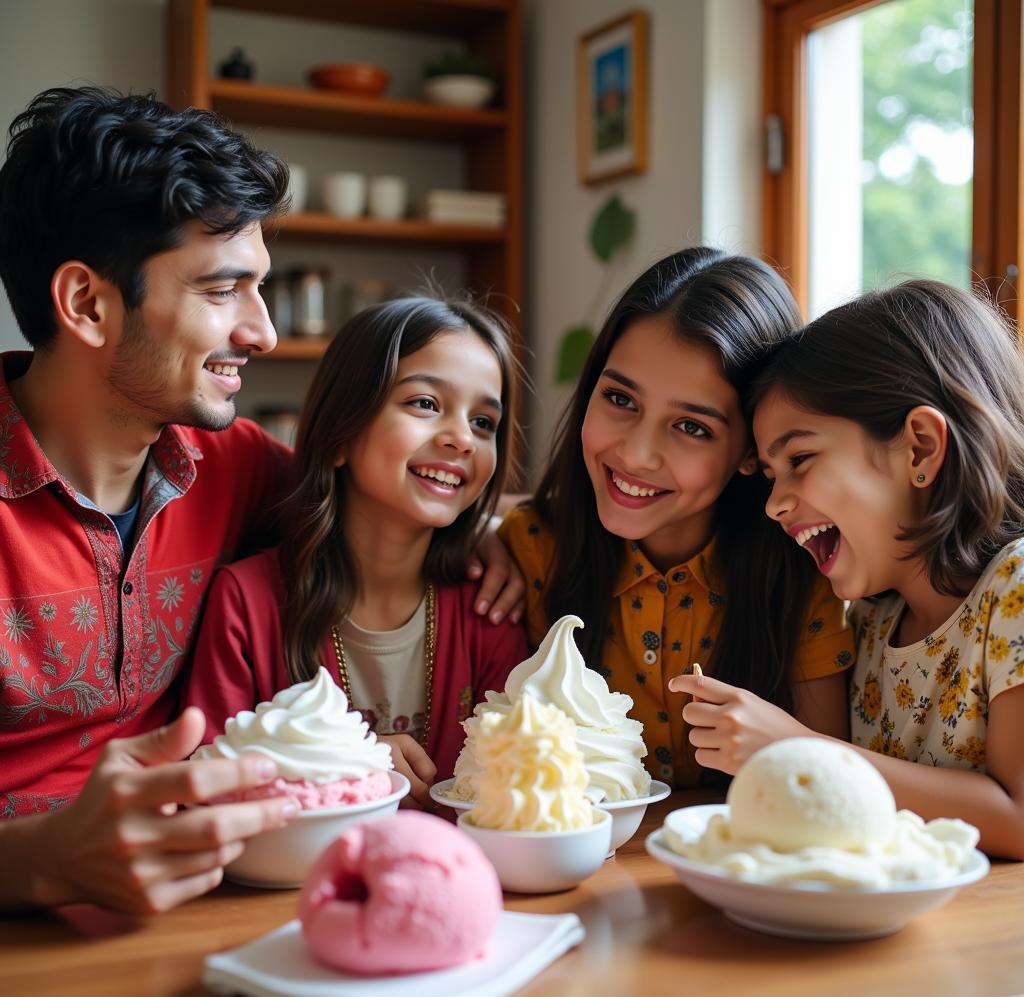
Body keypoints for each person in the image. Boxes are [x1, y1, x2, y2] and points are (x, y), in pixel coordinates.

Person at [0, 86, 521, 914]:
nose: (263, 332)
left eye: (261, 287)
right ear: (87, 304)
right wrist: (39, 862)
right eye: (221, 291)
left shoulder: (232, 465)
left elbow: (382, 486)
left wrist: (497, 526)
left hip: (191, 914)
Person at [679, 280, 1024, 858]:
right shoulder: (867, 621)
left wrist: (802, 749)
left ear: (919, 447)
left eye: (800, 459)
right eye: (769, 475)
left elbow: (1018, 817)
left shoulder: (1013, 591)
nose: (774, 503)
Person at [499, 247, 854, 790]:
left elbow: (826, 790)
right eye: (620, 398)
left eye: (691, 427)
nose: (637, 454)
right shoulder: (528, 551)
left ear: (751, 450)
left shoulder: (801, 571)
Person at [185, 296, 528, 807]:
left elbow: (517, 790)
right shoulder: (246, 602)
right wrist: (359, 766)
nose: (462, 438)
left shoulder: (490, 610)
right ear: (341, 432)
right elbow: (208, 781)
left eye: (484, 422)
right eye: (426, 404)